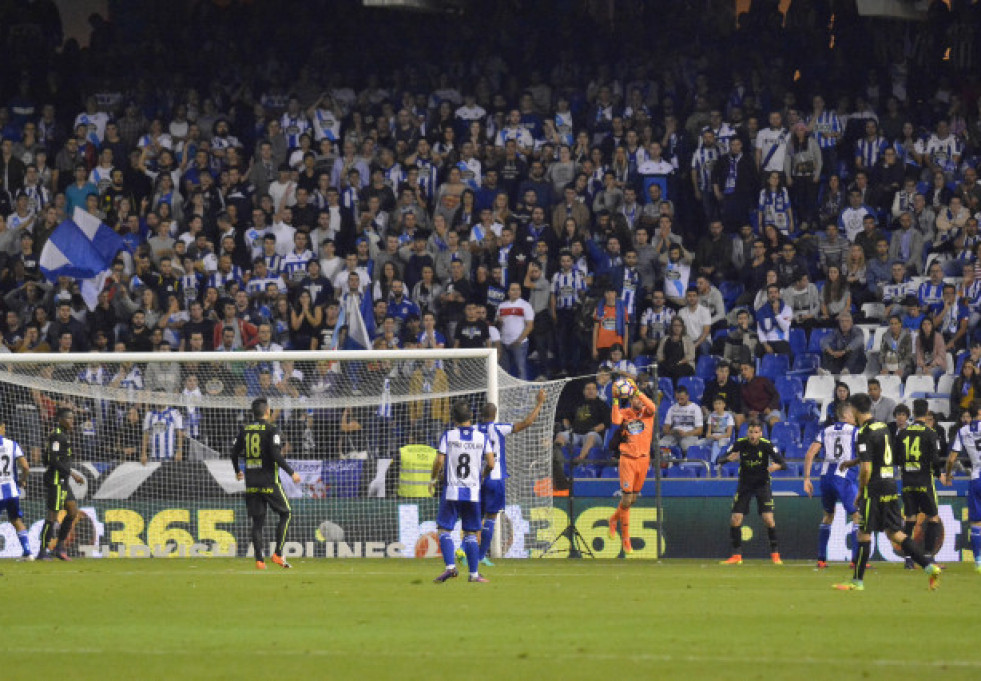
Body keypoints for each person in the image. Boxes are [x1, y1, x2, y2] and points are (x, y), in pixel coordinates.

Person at [833, 393, 941, 591]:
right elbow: (880, 455)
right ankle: (929, 566)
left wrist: (859, 493)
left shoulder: (863, 432)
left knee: (863, 533)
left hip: (874, 488)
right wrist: (853, 461)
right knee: (894, 532)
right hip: (890, 484)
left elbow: (866, 469)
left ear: (855, 410)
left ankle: (857, 581)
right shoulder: (883, 426)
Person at [461, 389, 546, 569]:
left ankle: (462, 550)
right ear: (495, 415)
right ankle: (481, 555)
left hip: (476, 479)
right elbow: (527, 423)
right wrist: (539, 404)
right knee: (491, 518)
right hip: (495, 478)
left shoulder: (472, 429)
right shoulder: (499, 428)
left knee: (475, 517)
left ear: (480, 415)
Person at [231, 397, 302, 570]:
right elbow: (276, 455)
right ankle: (277, 553)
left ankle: (259, 561)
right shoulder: (273, 430)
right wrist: (292, 472)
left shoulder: (245, 430)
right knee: (286, 513)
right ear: (267, 411)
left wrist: (237, 471)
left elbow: (233, 452)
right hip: (269, 481)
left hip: (251, 482)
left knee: (258, 522)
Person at [431, 400, 494, 584]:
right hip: (473, 492)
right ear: (471, 417)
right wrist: (482, 476)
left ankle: (450, 567)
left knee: (444, 529)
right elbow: (491, 463)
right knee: (471, 534)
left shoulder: (448, 436)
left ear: (453, 419)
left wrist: (433, 479)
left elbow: (439, 462)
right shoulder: (482, 437)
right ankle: (474, 574)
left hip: (452, 491)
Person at [720, 420, 787, 565]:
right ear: (747, 432)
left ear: (761, 433)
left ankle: (775, 555)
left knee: (768, 519)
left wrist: (777, 466)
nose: (753, 435)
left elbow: (784, 463)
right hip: (744, 485)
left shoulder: (767, 445)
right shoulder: (739, 443)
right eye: (751, 432)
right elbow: (719, 459)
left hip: (762, 484)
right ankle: (736, 556)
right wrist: (727, 459)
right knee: (735, 519)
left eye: (756, 432)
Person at [803, 403, 860, 569]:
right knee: (857, 517)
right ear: (847, 415)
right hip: (844, 477)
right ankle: (856, 561)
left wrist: (807, 478)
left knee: (828, 516)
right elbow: (864, 452)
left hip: (826, 477)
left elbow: (810, 453)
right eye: (853, 415)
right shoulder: (855, 431)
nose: (855, 419)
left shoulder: (825, 431)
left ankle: (821, 559)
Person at [607, 378, 657, 556]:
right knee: (627, 500)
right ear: (629, 399)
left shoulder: (647, 413)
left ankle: (613, 519)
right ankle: (626, 539)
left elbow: (653, 407)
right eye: (634, 398)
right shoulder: (625, 413)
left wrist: (638, 392)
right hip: (627, 459)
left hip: (643, 460)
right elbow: (614, 420)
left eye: (638, 398)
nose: (636, 401)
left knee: (633, 500)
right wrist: (614, 399)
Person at [896, 399, 943, 568]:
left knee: (910, 519)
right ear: (927, 412)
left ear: (913, 412)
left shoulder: (903, 433)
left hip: (907, 481)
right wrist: (940, 475)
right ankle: (928, 557)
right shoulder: (930, 433)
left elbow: (896, 458)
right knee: (933, 518)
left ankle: (908, 559)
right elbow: (935, 459)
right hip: (924, 481)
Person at [38, 407, 84, 561]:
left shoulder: (63, 435)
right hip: (55, 480)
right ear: (61, 419)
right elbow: (52, 460)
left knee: (72, 511)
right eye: (69, 418)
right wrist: (73, 473)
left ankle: (59, 548)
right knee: (52, 516)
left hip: (63, 481)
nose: (72, 421)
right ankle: (42, 551)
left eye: (73, 418)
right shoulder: (57, 436)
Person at [945, 401, 981, 574]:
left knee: (976, 522)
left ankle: (978, 562)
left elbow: (951, 459)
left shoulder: (964, 431)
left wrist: (949, 474)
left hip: (976, 479)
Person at [0, 417, 33, 559]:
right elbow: (25, 467)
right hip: (12, 491)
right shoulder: (12, 444)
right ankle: (28, 553)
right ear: (2, 427)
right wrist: (23, 481)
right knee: (16, 520)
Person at [661, 385, 703, 456]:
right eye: (677, 399)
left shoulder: (696, 408)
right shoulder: (672, 408)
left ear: (687, 397)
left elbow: (699, 430)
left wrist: (686, 433)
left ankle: (685, 462)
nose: (679, 401)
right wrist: (674, 431)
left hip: (690, 434)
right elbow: (665, 429)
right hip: (674, 434)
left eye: (682, 399)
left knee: (685, 445)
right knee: (661, 444)